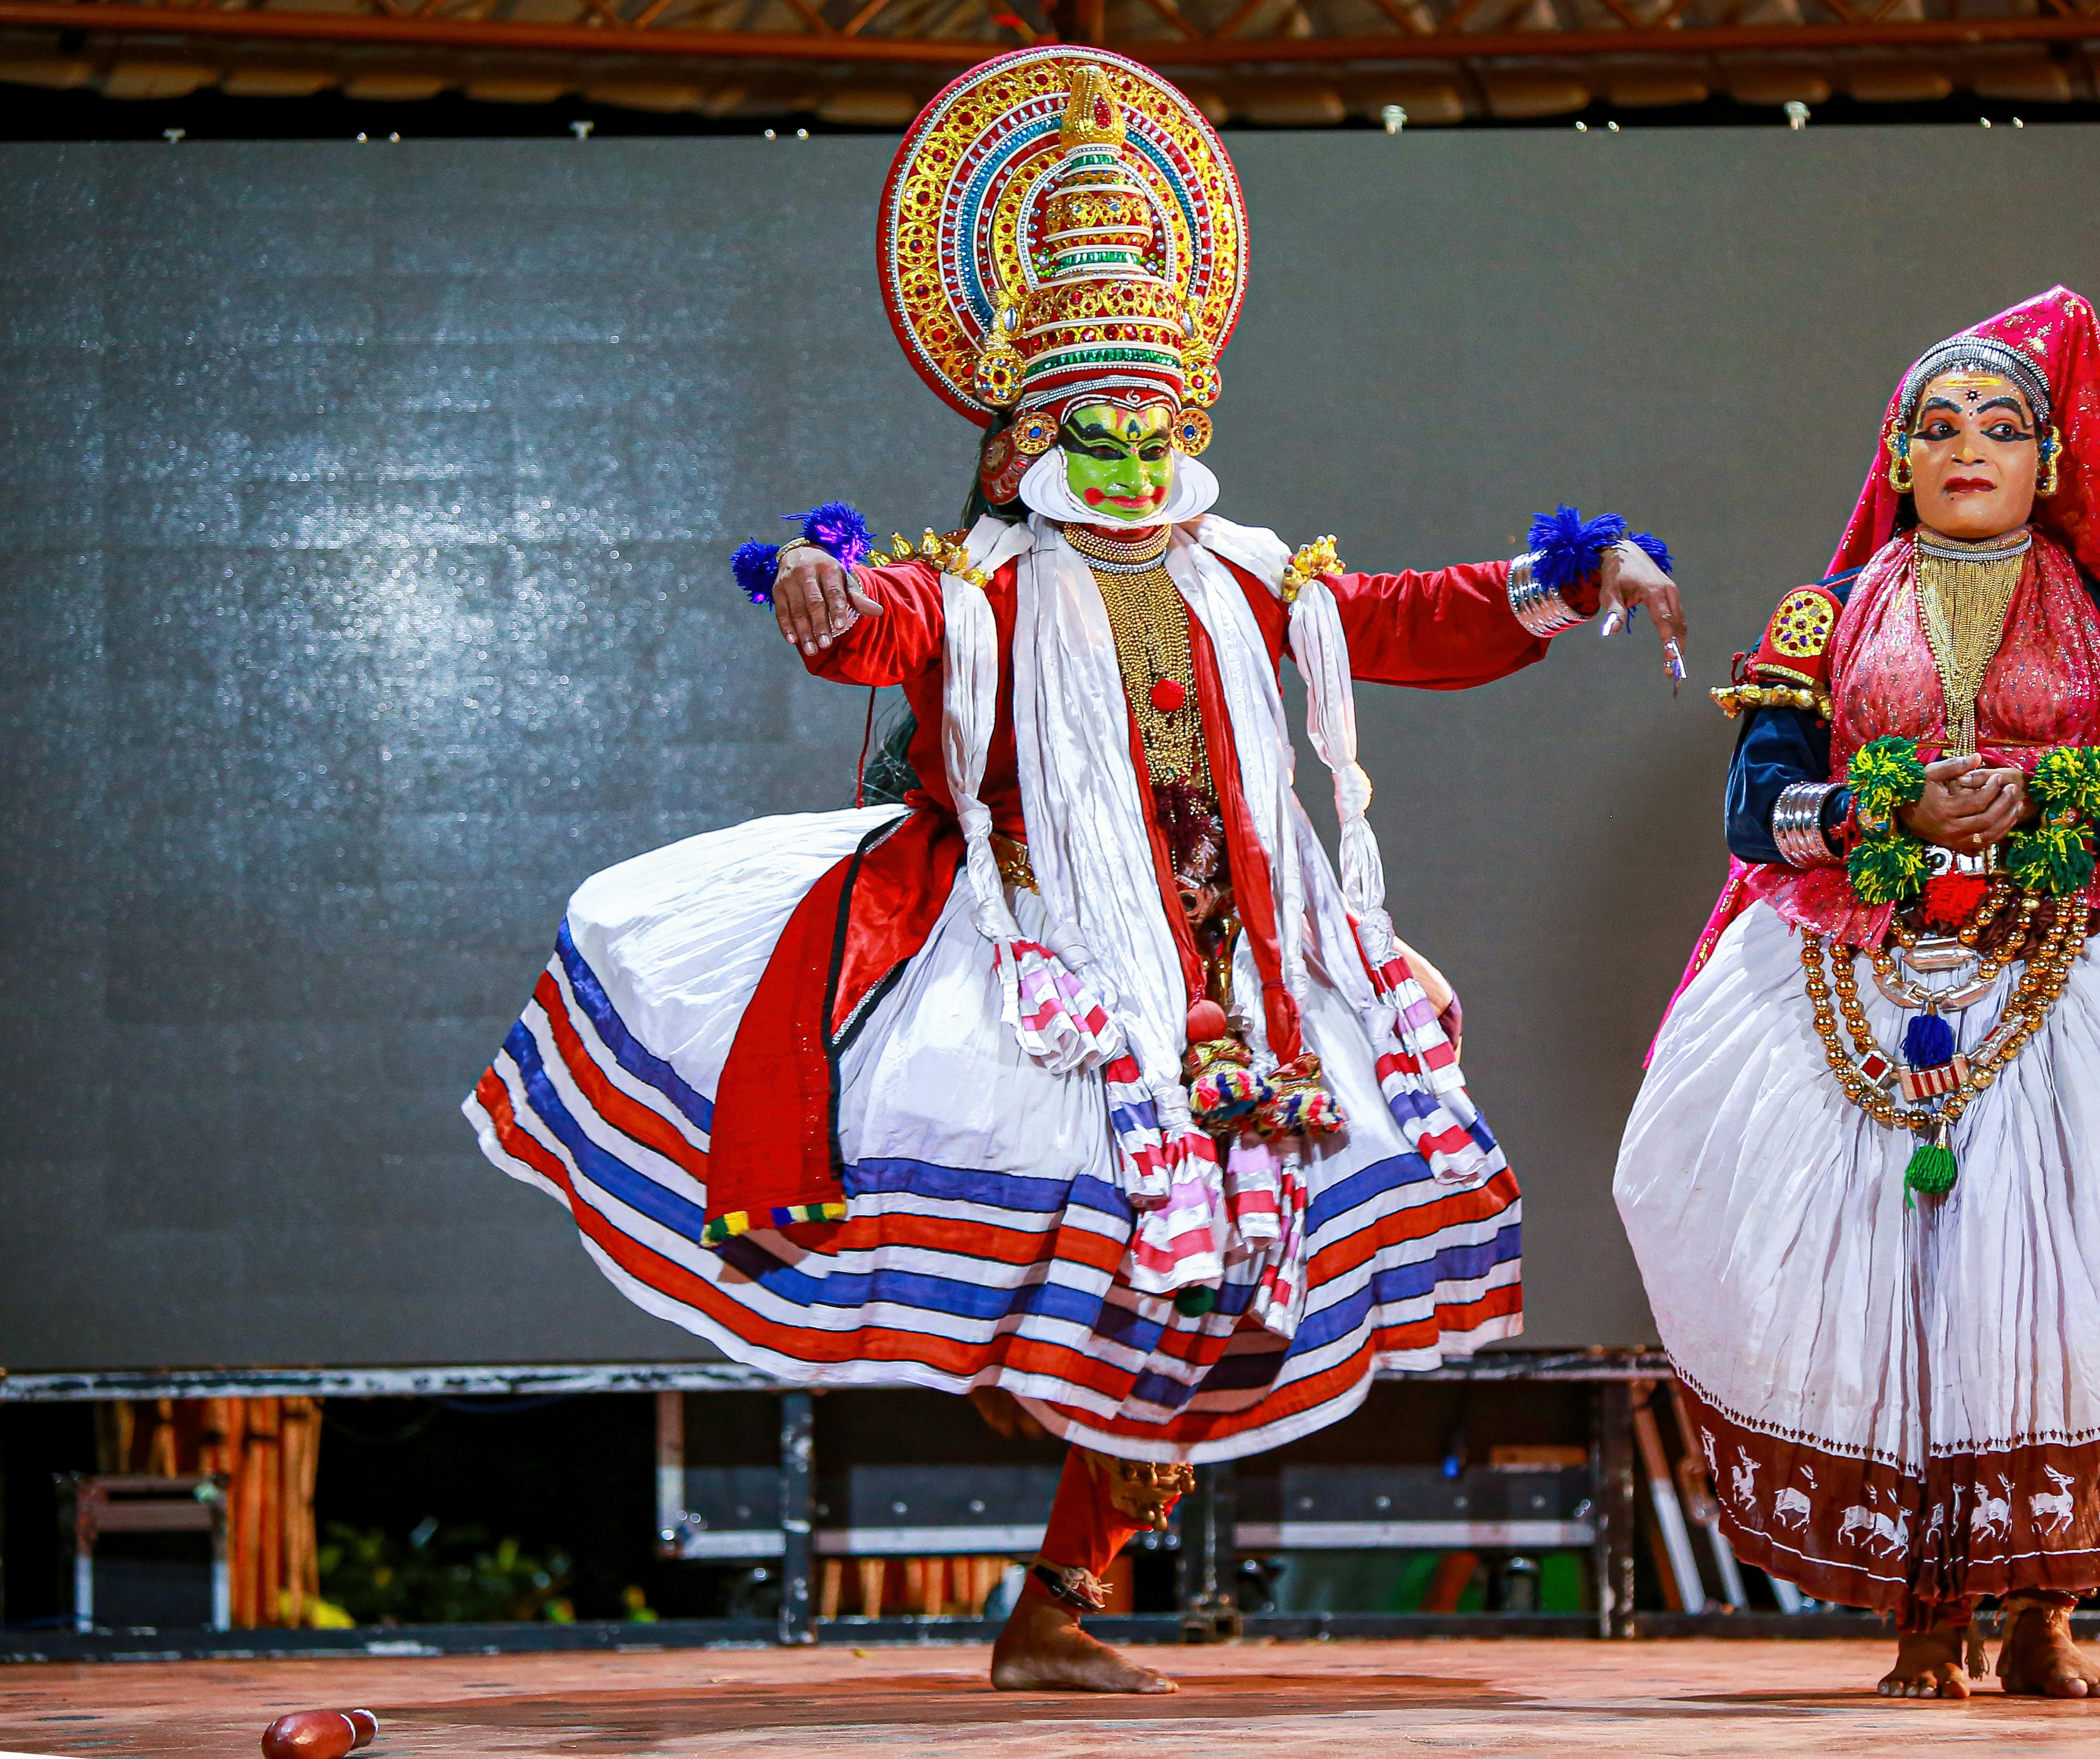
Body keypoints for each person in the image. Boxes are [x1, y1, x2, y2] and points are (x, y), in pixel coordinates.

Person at [462, 44, 1682, 1693]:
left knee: (1212, 1302)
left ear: (1189, 424)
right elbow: (884, 619)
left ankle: (1052, 1603)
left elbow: (1406, 620)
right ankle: (1019, 1446)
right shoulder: (983, 586)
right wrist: (825, 600)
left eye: (1147, 426)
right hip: (1045, 977)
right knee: (1095, 1278)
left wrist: (1573, 574)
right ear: (1029, 433)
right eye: (1083, 428)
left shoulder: (1252, 581)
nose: (1119, 458)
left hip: (1242, 989)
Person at [1615, 288, 2100, 1699]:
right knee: (1892, 1289)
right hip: (1857, 961)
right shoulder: (1828, 612)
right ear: (1899, 459)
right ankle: (1923, 1626)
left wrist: (2056, 802)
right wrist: (1883, 810)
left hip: (2072, 968)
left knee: (2083, 1281)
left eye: (2003, 425)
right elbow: (1758, 814)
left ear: (2051, 462)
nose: (1970, 446)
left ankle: (2048, 1615)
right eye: (1938, 428)